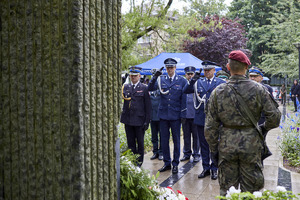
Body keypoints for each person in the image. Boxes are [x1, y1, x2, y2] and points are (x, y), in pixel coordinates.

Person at [205, 50, 281, 195]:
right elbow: (275, 118)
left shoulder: (217, 92)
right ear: (246, 67)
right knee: (251, 192)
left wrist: (214, 149)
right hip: (251, 144)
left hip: (227, 145)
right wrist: (262, 129)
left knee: (228, 192)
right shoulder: (260, 89)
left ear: (228, 67)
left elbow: (210, 128)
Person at [183, 60, 226, 180]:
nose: (207, 72)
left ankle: (214, 169)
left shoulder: (221, 82)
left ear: (214, 70)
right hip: (201, 118)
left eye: (209, 70)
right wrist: (193, 79)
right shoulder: (198, 82)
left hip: (215, 119)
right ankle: (205, 167)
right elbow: (186, 90)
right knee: (203, 145)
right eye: (205, 70)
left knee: (215, 144)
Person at [148, 58, 187, 174]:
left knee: (176, 140)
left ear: (175, 68)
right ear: (166, 68)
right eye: (168, 67)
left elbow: (184, 99)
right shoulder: (161, 80)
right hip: (164, 115)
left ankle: (175, 163)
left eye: (171, 67)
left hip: (175, 116)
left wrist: (183, 114)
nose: (169, 69)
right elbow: (150, 88)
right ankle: (167, 162)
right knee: (164, 140)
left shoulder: (182, 80)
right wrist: (155, 76)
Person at [120, 66, 151, 166]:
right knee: (131, 143)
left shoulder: (144, 88)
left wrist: (147, 121)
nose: (133, 78)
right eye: (131, 76)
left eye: (135, 76)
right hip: (128, 120)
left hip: (139, 120)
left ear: (139, 76)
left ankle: (139, 163)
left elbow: (148, 106)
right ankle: (132, 162)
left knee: (140, 144)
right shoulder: (126, 87)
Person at [180, 66, 200, 163]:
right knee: (186, 136)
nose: (190, 76)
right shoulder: (183, 84)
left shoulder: (198, 84)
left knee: (196, 136)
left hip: (195, 114)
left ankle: (196, 154)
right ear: (186, 75)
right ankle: (186, 153)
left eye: (192, 74)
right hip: (185, 114)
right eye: (188, 74)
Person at [149, 69, 163, 161]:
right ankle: (155, 152)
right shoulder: (150, 86)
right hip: (152, 116)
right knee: (154, 136)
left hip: (161, 116)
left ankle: (161, 152)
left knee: (162, 136)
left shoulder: (162, 86)